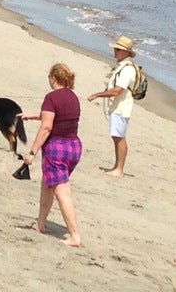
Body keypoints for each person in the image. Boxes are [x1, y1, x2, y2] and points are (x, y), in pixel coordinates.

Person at [20, 63, 82, 248]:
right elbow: (59, 116)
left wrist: (32, 153)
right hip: (74, 147)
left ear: (53, 78)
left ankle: (74, 236)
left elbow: (47, 127)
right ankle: (40, 223)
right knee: (48, 184)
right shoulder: (73, 97)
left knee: (61, 191)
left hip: (57, 148)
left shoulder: (51, 97)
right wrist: (34, 115)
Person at [87, 36, 138, 178]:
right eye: (116, 49)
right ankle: (117, 166)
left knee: (119, 137)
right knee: (116, 136)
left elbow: (117, 91)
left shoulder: (128, 70)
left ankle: (119, 169)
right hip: (117, 107)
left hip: (122, 108)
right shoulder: (121, 66)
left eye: (118, 49)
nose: (115, 52)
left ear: (126, 52)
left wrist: (97, 95)